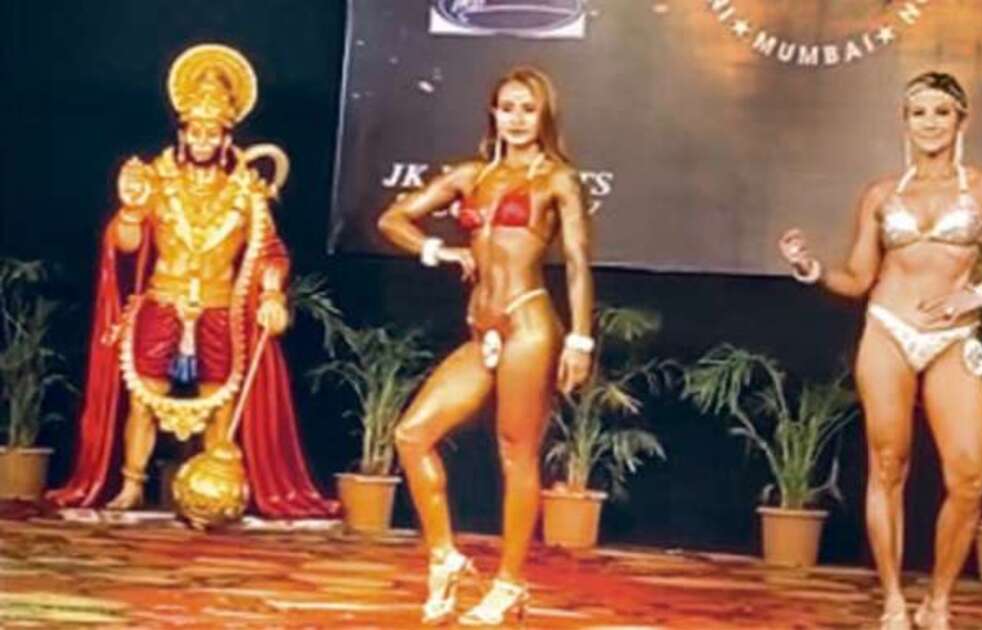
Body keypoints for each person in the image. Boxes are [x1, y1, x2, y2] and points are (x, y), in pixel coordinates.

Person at [778, 71, 982, 629]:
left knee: (969, 476)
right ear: (905, 122)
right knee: (888, 465)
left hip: (951, 335)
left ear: (961, 120)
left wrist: (981, 293)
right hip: (889, 328)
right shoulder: (882, 194)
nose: (930, 123)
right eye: (919, 112)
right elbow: (858, 278)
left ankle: (938, 601)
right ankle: (892, 600)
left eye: (941, 112)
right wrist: (810, 268)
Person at [46, 44, 337, 519]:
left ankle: (215, 487)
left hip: (220, 309)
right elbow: (125, 246)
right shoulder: (156, 181)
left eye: (212, 132)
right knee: (144, 398)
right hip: (164, 302)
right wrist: (131, 211)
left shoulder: (246, 192)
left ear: (225, 137)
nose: (202, 140)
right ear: (183, 133)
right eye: (195, 131)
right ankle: (132, 484)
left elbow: (270, 252)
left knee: (219, 402)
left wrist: (271, 293)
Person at [377, 66, 594, 626]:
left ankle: (510, 584)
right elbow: (393, 219)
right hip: (483, 329)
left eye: (528, 109)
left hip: (528, 325)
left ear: (543, 117)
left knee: (516, 453)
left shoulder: (558, 179)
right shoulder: (472, 175)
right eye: (507, 107)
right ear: (493, 114)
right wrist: (438, 250)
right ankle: (445, 557)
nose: (516, 119)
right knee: (412, 434)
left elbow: (576, 263)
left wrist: (580, 338)